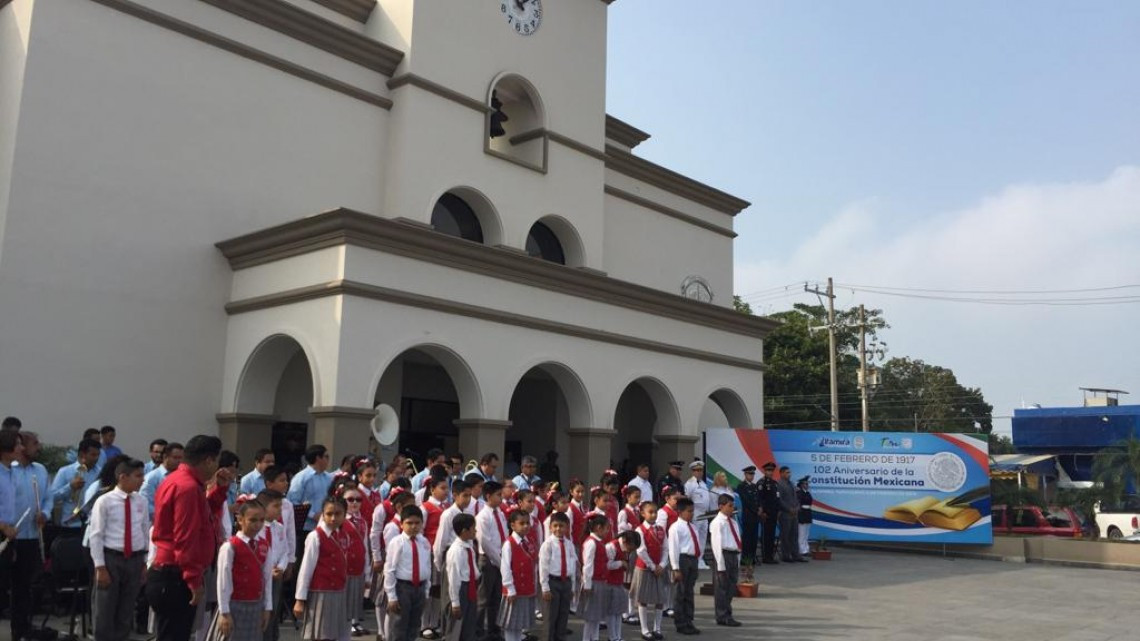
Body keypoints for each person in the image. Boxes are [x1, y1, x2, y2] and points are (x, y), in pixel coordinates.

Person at [148, 434, 229, 641]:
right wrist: (193, 580)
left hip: (172, 572)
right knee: (175, 634)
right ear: (208, 460)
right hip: (175, 574)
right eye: (217, 460)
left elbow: (203, 517)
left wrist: (218, 490)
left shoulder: (179, 480)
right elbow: (186, 537)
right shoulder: (188, 487)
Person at [89, 458, 149, 641]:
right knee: (105, 608)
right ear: (123, 477)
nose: (142, 480)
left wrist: (145, 562)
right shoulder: (105, 501)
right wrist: (100, 567)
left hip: (135, 558)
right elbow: (96, 535)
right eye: (138, 476)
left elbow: (145, 531)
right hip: (111, 558)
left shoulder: (141, 501)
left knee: (127, 608)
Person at [207, 499, 273, 641]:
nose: (258, 525)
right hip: (234, 605)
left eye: (261, 520)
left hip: (256, 605)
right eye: (253, 520)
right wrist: (224, 612)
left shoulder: (264, 545)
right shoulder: (230, 546)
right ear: (240, 520)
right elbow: (223, 581)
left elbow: (267, 579)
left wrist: (267, 607)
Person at [10, 431, 51, 641]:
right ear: (22, 446)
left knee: (24, 586)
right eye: (35, 443)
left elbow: (48, 498)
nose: (39, 446)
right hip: (10, 536)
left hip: (32, 535)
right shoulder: (8, 470)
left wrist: (45, 512)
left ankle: (22, 630)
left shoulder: (41, 470)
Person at [293, 496, 350, 641]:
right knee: (320, 634)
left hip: (339, 590)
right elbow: (306, 569)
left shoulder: (343, 535)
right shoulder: (315, 536)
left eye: (338, 514)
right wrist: (300, 599)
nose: (333, 518)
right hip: (320, 592)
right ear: (323, 514)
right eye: (329, 514)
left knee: (337, 633)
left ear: (344, 515)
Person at [384, 505, 431, 641]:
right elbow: (390, 569)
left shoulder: (424, 542)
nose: (413, 527)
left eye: (417, 523)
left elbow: (427, 567)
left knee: (414, 625)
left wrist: (426, 591)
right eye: (409, 523)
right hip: (402, 588)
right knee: (399, 626)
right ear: (401, 524)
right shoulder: (397, 543)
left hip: (420, 587)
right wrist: (392, 596)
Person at [0, 431, 27, 639]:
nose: (21, 448)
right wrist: (2, 526)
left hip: (9, 535)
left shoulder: (12, 471)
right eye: (17, 444)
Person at [254, 489, 290, 641]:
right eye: (276, 506)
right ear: (263, 507)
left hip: (276, 576)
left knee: (273, 610)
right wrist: (268, 571)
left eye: (280, 506)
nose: (279, 510)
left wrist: (281, 567)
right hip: (260, 577)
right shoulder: (256, 529)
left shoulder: (279, 528)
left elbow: (284, 551)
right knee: (261, 610)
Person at [631, 501, 669, 641]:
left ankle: (657, 628)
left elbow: (666, 548)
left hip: (659, 568)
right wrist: (653, 566)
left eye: (655, 512)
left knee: (660, 599)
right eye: (650, 512)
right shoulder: (639, 530)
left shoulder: (661, 529)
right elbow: (641, 550)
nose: (653, 515)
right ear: (642, 513)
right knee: (643, 599)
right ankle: (644, 629)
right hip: (645, 568)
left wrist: (663, 564)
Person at [475, 481, 507, 641]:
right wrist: (500, 561)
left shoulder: (500, 513)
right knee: (483, 597)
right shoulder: (482, 517)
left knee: (496, 597)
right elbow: (485, 542)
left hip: (500, 557)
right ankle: (478, 631)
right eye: (498, 495)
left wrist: (505, 557)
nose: (501, 498)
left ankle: (493, 630)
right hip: (488, 560)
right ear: (488, 496)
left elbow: (504, 534)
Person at [499, 510, 538, 641]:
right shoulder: (509, 544)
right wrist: (510, 588)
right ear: (512, 525)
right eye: (521, 523)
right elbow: (505, 568)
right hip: (514, 590)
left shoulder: (529, 541)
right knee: (511, 625)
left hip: (526, 588)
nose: (526, 526)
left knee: (519, 624)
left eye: (527, 523)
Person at [50, 437, 102, 531]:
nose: (96, 458)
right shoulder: (65, 471)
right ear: (82, 454)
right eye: (93, 455)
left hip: (93, 525)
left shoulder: (100, 473)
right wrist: (69, 487)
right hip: (70, 525)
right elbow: (52, 497)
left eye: (98, 455)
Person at [538, 512, 575, 641]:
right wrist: (545, 588)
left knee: (563, 615)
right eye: (555, 526)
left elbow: (572, 566)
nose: (558, 529)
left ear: (567, 527)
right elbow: (543, 567)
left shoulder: (569, 544)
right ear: (550, 527)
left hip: (566, 583)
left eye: (562, 526)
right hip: (553, 583)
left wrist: (573, 587)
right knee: (550, 617)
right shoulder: (547, 545)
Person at [666, 498, 701, 636]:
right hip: (682, 559)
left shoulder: (693, 526)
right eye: (689, 511)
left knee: (689, 592)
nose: (691, 514)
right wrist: (675, 568)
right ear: (680, 512)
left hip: (692, 559)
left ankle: (689, 620)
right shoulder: (676, 527)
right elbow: (673, 548)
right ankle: (680, 623)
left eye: (693, 511)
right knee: (680, 592)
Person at [444, 513, 479, 641]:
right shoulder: (456, 551)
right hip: (461, 589)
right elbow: (453, 578)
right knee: (456, 628)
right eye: (473, 528)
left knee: (469, 625)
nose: (475, 531)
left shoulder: (469, 545)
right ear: (464, 531)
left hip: (470, 586)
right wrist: (455, 602)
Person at [341, 487, 371, 637]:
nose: (354, 503)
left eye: (358, 500)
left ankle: (354, 621)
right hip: (345, 565)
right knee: (345, 596)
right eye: (350, 499)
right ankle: (346, 623)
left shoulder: (362, 522)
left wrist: (367, 568)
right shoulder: (340, 520)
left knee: (356, 595)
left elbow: (365, 545)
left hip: (359, 563)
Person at [709, 494, 741, 627]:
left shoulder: (733, 521)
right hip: (724, 555)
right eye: (729, 506)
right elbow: (716, 545)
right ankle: (722, 615)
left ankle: (727, 612)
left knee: (731, 586)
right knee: (722, 587)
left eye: (733, 506)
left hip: (733, 555)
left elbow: (737, 540)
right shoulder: (717, 522)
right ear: (721, 506)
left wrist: (738, 558)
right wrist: (721, 565)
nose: (732, 508)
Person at [579, 514, 612, 641]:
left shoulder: (598, 542)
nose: (607, 531)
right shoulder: (591, 543)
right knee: (591, 616)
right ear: (599, 528)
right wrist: (587, 584)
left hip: (600, 581)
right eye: (606, 528)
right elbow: (587, 564)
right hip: (593, 583)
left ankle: (595, 638)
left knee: (596, 616)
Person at [288, 445, 333, 534]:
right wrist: (313, 515)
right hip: (306, 527)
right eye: (326, 456)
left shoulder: (329, 478)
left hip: (324, 526)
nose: (328, 460)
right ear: (318, 458)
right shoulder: (301, 478)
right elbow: (292, 502)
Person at [141, 442, 184, 518]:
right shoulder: (152, 478)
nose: (179, 461)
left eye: (181, 458)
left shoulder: (183, 476)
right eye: (175, 458)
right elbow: (146, 504)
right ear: (165, 457)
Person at [682, 461, 711, 568]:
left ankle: (700, 559)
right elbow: (687, 498)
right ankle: (695, 558)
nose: (699, 473)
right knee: (695, 536)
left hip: (704, 514)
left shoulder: (703, 484)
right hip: (695, 513)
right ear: (693, 471)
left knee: (703, 537)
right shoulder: (690, 484)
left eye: (700, 470)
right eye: (696, 470)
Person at [735, 466, 761, 578]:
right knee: (747, 540)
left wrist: (760, 508)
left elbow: (759, 499)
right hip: (748, 515)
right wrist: (756, 509)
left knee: (754, 539)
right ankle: (745, 560)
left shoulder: (755, 486)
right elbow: (747, 501)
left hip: (755, 516)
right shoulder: (741, 486)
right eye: (749, 474)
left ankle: (752, 559)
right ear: (745, 475)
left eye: (753, 474)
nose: (751, 476)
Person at [776, 467, 805, 563]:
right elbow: (779, 500)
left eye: (790, 472)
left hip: (794, 514)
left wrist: (797, 507)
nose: (789, 474)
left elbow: (795, 498)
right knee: (785, 535)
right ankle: (786, 555)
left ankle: (795, 554)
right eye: (787, 472)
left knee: (794, 535)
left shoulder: (791, 484)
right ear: (781, 473)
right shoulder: (779, 484)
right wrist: (789, 509)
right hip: (785, 514)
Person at [757, 462, 781, 564]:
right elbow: (760, 498)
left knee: (772, 535)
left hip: (774, 513)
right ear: (764, 471)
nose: (770, 473)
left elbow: (777, 498)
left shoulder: (775, 483)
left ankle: (770, 555)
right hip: (766, 513)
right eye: (768, 470)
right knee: (766, 535)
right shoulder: (761, 483)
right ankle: (766, 557)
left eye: (771, 471)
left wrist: (779, 510)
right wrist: (762, 511)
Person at [796, 476, 813, 558]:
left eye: (808, 483)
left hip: (808, 513)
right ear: (802, 484)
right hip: (802, 514)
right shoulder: (799, 493)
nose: (807, 485)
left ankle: (806, 549)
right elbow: (798, 504)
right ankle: (801, 550)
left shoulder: (808, 493)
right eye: (806, 483)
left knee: (806, 534)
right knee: (801, 534)